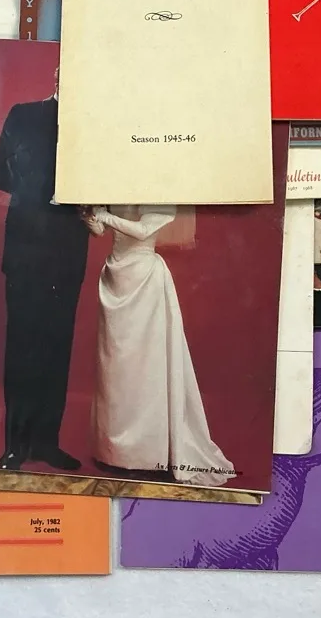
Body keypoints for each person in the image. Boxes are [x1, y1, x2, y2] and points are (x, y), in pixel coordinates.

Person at [86, 205, 235, 487]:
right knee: (116, 368)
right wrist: (91, 216)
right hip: (115, 277)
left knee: (147, 365)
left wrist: (105, 216)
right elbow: (99, 231)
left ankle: (146, 454)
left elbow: (143, 230)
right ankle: (115, 451)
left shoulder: (161, 193)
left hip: (145, 280)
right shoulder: (114, 190)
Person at [0, 74, 90, 471]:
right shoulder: (24, 114)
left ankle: (47, 443)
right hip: (26, 249)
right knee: (22, 349)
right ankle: (15, 446)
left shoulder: (94, 123)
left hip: (68, 252)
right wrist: (43, 192)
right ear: (57, 77)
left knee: (57, 348)